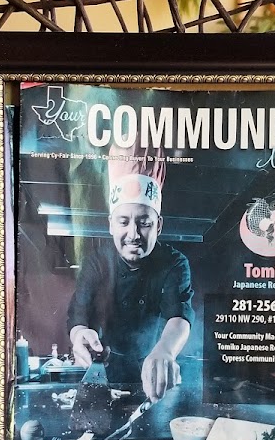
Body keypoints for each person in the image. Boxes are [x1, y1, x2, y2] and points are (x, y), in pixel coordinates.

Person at [67, 151, 193, 403]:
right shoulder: (97, 262)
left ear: (158, 225)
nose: (133, 234)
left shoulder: (174, 262)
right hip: (106, 373)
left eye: (144, 223)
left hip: (157, 372)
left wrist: (166, 351)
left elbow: (178, 316)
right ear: (111, 225)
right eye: (123, 222)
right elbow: (79, 314)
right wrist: (79, 334)